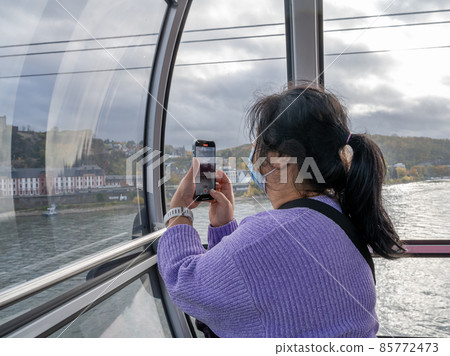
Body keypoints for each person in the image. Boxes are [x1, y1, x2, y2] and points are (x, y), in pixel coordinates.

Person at [157, 83, 403, 338]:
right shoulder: (339, 214)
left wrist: (179, 212)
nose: (252, 156)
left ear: (277, 159)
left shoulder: (271, 233)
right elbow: (255, 290)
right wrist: (223, 227)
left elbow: (183, 280)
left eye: (257, 145)